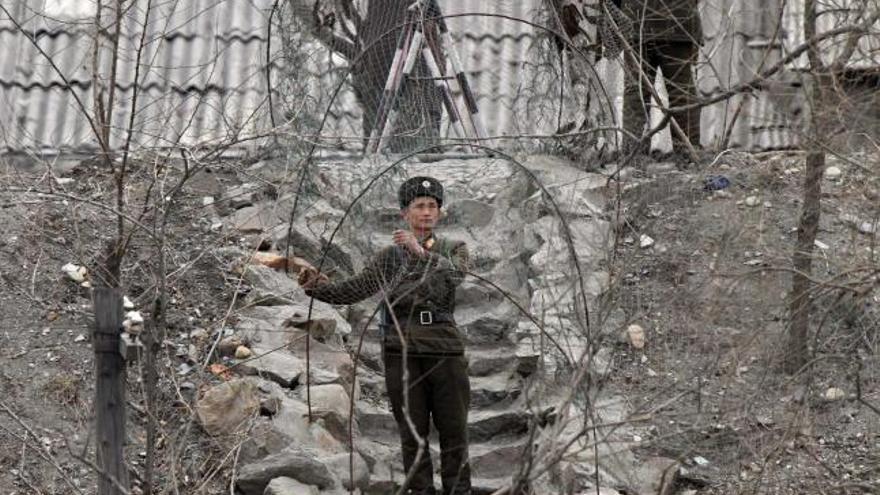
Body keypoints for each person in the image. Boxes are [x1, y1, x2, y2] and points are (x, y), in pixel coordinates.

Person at [298, 176, 472, 495]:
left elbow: (454, 278)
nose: (426, 213)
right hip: (401, 353)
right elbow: (357, 289)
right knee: (411, 434)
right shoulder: (389, 258)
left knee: (454, 434)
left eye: (432, 206)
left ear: (440, 214)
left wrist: (419, 251)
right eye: (418, 206)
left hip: (445, 351)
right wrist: (316, 289)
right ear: (404, 213)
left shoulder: (453, 249)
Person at [618, 0, 703, 155]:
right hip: (680, 20)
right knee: (681, 93)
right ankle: (688, 155)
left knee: (636, 93)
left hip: (637, 21)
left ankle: (633, 156)